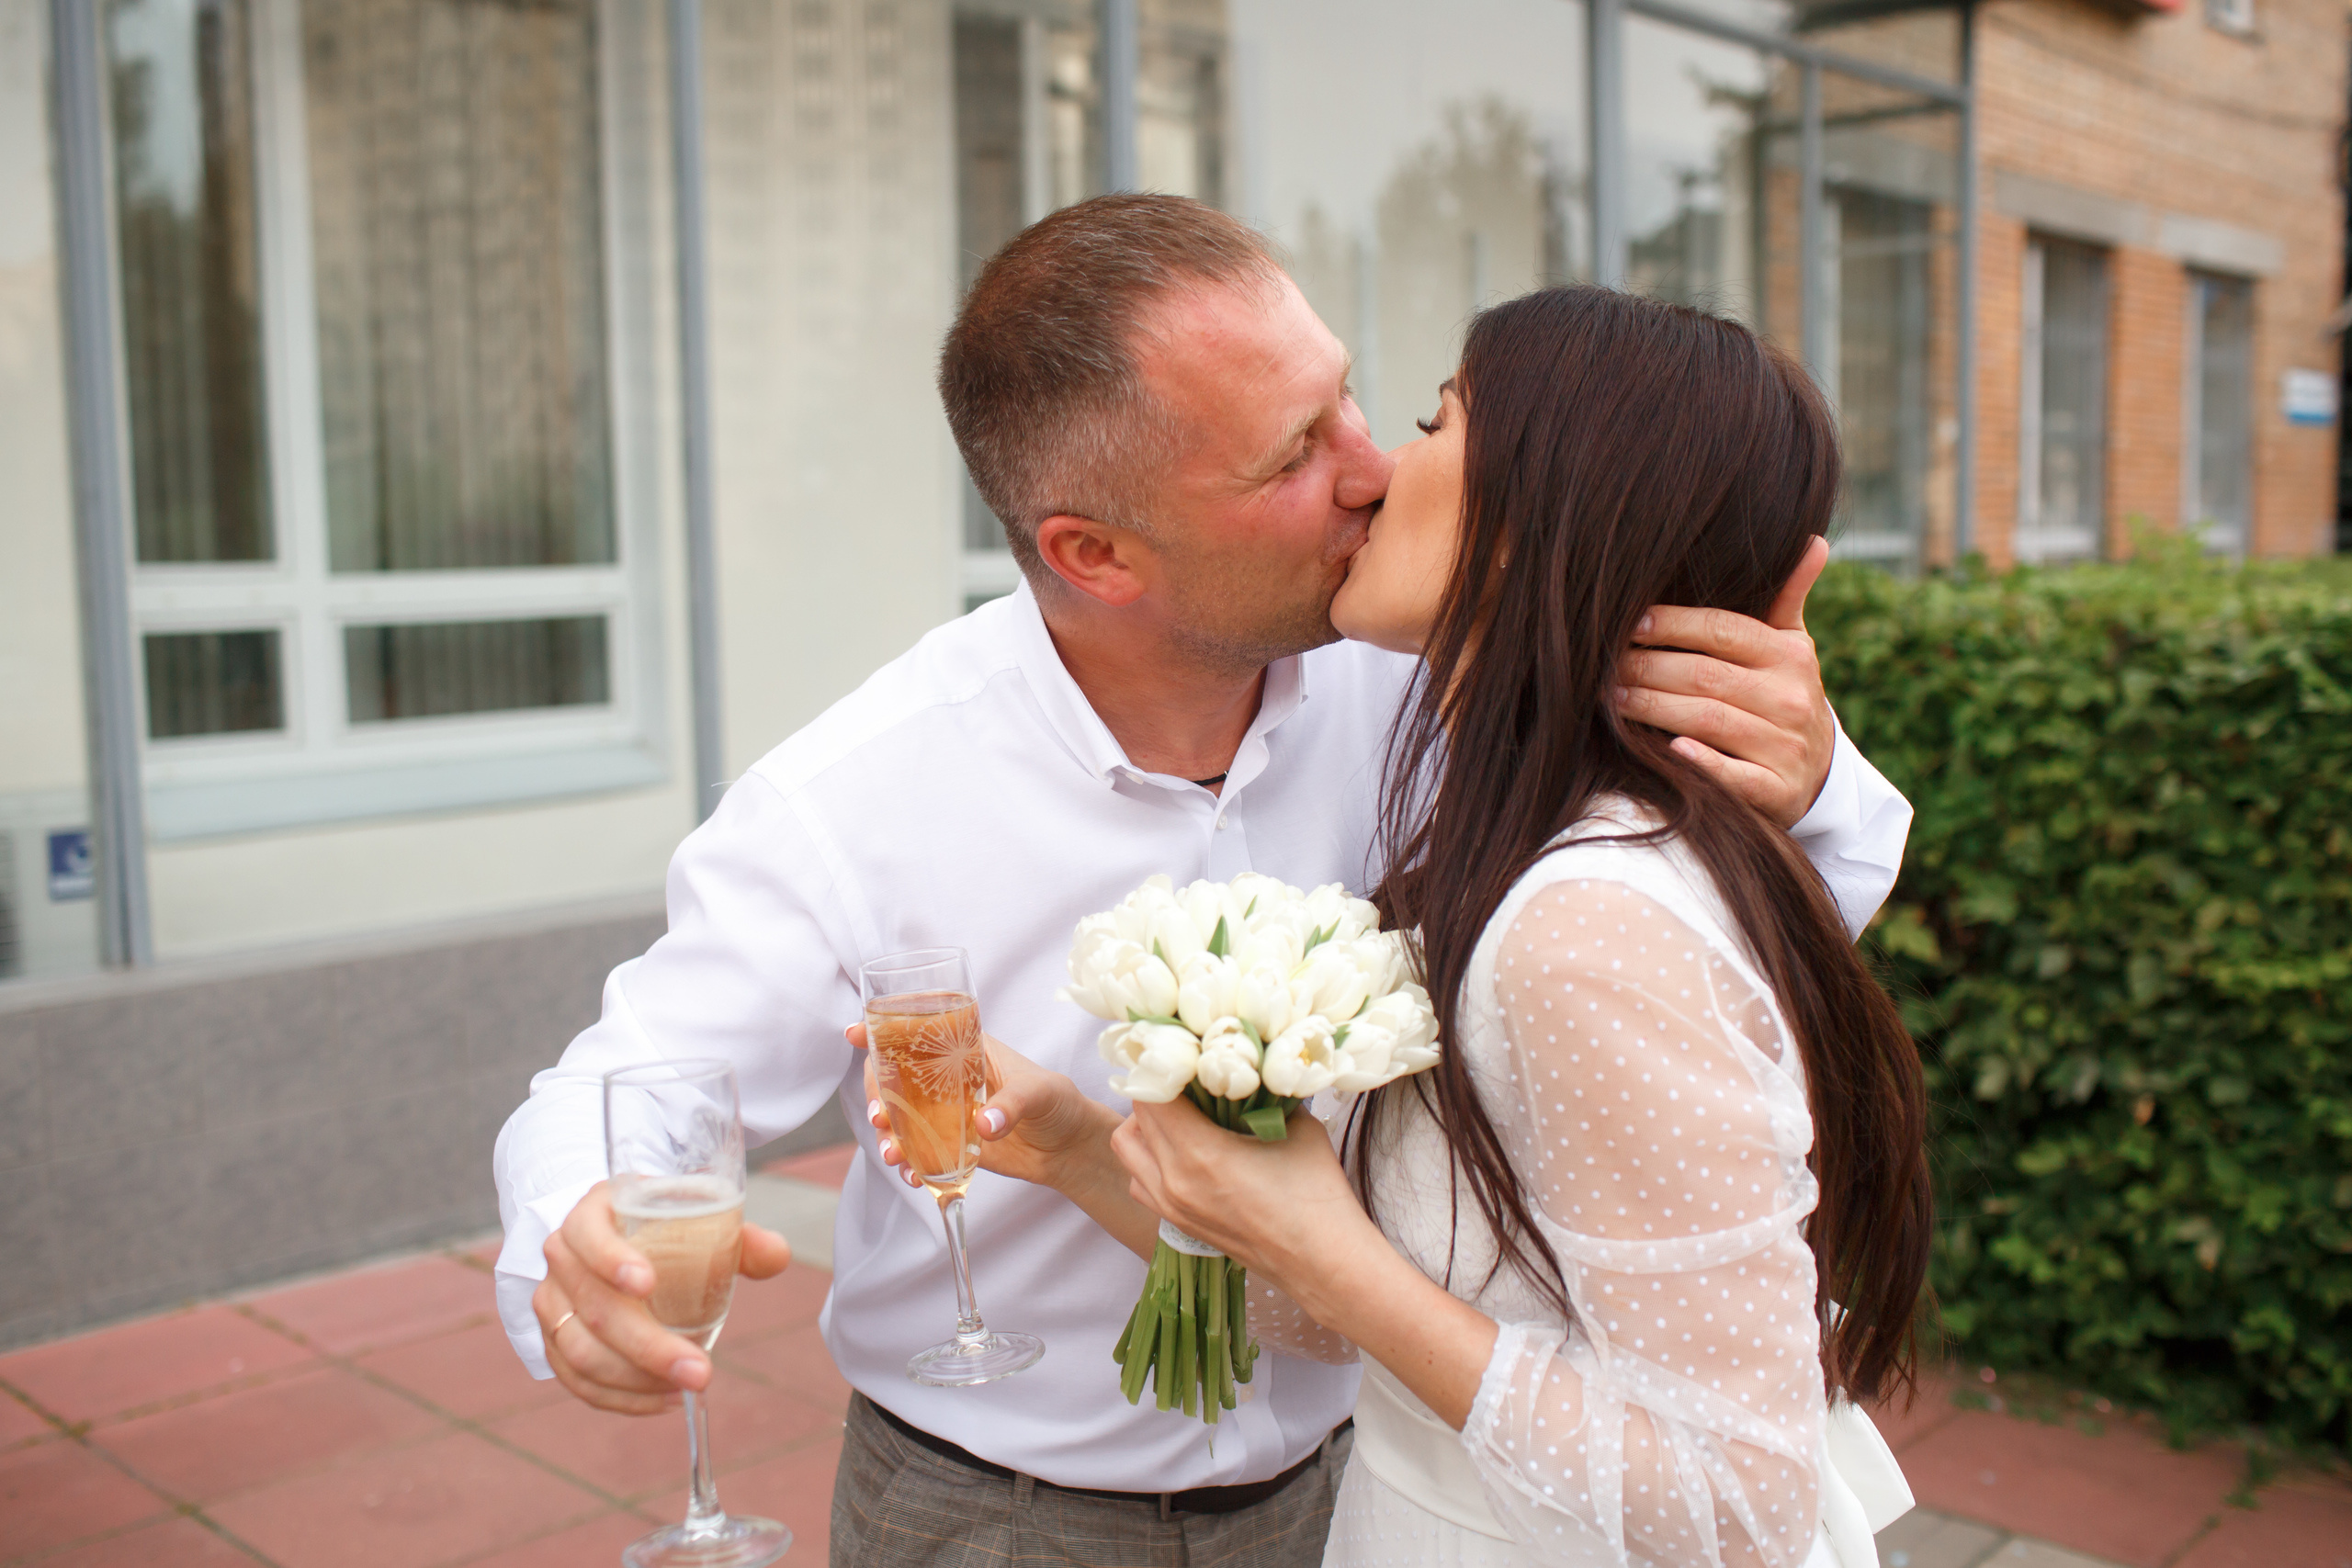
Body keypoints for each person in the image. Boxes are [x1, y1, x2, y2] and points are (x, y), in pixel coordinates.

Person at [492, 196, 1913, 1568]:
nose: (1367, 468)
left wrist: (1812, 766)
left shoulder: (1435, 666)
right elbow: (630, 1085)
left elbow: (1690, 995)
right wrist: (578, 1250)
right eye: (1296, 453)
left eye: (1358, 400)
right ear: (1094, 554)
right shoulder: (856, 797)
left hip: (1386, 1479)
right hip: (1004, 1519)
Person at [1092, 287, 1933, 1567]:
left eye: (1436, 420)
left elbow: (1740, 1503)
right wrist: (1060, 1144)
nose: (1374, 471)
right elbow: (1444, 1298)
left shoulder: (1589, 926)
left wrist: (1330, 1252)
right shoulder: (1518, 846)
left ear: (1546, 510)